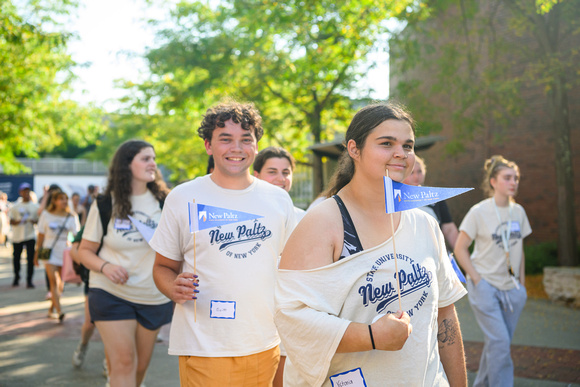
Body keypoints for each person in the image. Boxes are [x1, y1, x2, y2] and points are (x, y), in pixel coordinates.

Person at [274, 102, 468, 386]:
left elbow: (446, 313)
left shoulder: (425, 223)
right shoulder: (324, 221)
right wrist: (372, 336)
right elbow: (292, 318)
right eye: (386, 143)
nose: (400, 153)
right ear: (354, 149)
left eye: (408, 145)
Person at [151, 101, 297, 387]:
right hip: (204, 343)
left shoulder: (278, 200)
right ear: (208, 145)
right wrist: (173, 286)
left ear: (255, 146)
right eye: (225, 139)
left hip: (264, 341)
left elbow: (294, 268)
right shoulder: (183, 197)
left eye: (246, 139)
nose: (237, 148)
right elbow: (162, 267)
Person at [78, 140, 172, 387]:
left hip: (153, 296)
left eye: (153, 158)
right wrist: (105, 267)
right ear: (126, 164)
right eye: (145, 158)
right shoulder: (105, 203)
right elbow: (84, 251)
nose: (153, 163)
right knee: (124, 363)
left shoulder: (168, 203)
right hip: (111, 294)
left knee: (140, 368)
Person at [454, 155, 531, 387]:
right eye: (507, 178)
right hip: (485, 287)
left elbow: (520, 250)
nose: (513, 182)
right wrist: (477, 280)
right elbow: (460, 248)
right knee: (500, 342)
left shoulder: (519, 212)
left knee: (497, 343)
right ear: (494, 182)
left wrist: (522, 285)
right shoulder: (479, 212)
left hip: (512, 290)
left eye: (516, 178)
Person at [36, 191, 80, 320]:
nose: (64, 201)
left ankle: (52, 307)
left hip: (64, 252)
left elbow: (76, 235)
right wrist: (36, 252)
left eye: (66, 199)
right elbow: (41, 234)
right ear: (54, 201)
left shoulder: (71, 216)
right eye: (61, 199)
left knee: (61, 283)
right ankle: (59, 311)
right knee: (53, 281)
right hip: (49, 251)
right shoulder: (46, 214)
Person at [403, 156, 460, 250]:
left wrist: (461, 253)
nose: (416, 176)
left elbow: (449, 229)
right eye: (411, 173)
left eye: (419, 171)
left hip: (435, 251)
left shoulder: (434, 196)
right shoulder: (396, 199)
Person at [254, 146, 306, 222]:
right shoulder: (245, 214)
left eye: (285, 173)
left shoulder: (303, 218)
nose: (281, 179)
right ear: (257, 176)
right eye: (272, 172)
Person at [8, 183, 40, 288]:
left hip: (30, 235)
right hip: (17, 236)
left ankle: (29, 280)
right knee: (16, 258)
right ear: (20, 192)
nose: (26, 193)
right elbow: (11, 221)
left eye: (27, 191)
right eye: (24, 191)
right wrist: (20, 221)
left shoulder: (35, 206)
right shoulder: (15, 206)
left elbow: (38, 221)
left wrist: (32, 221)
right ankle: (16, 277)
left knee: (30, 258)